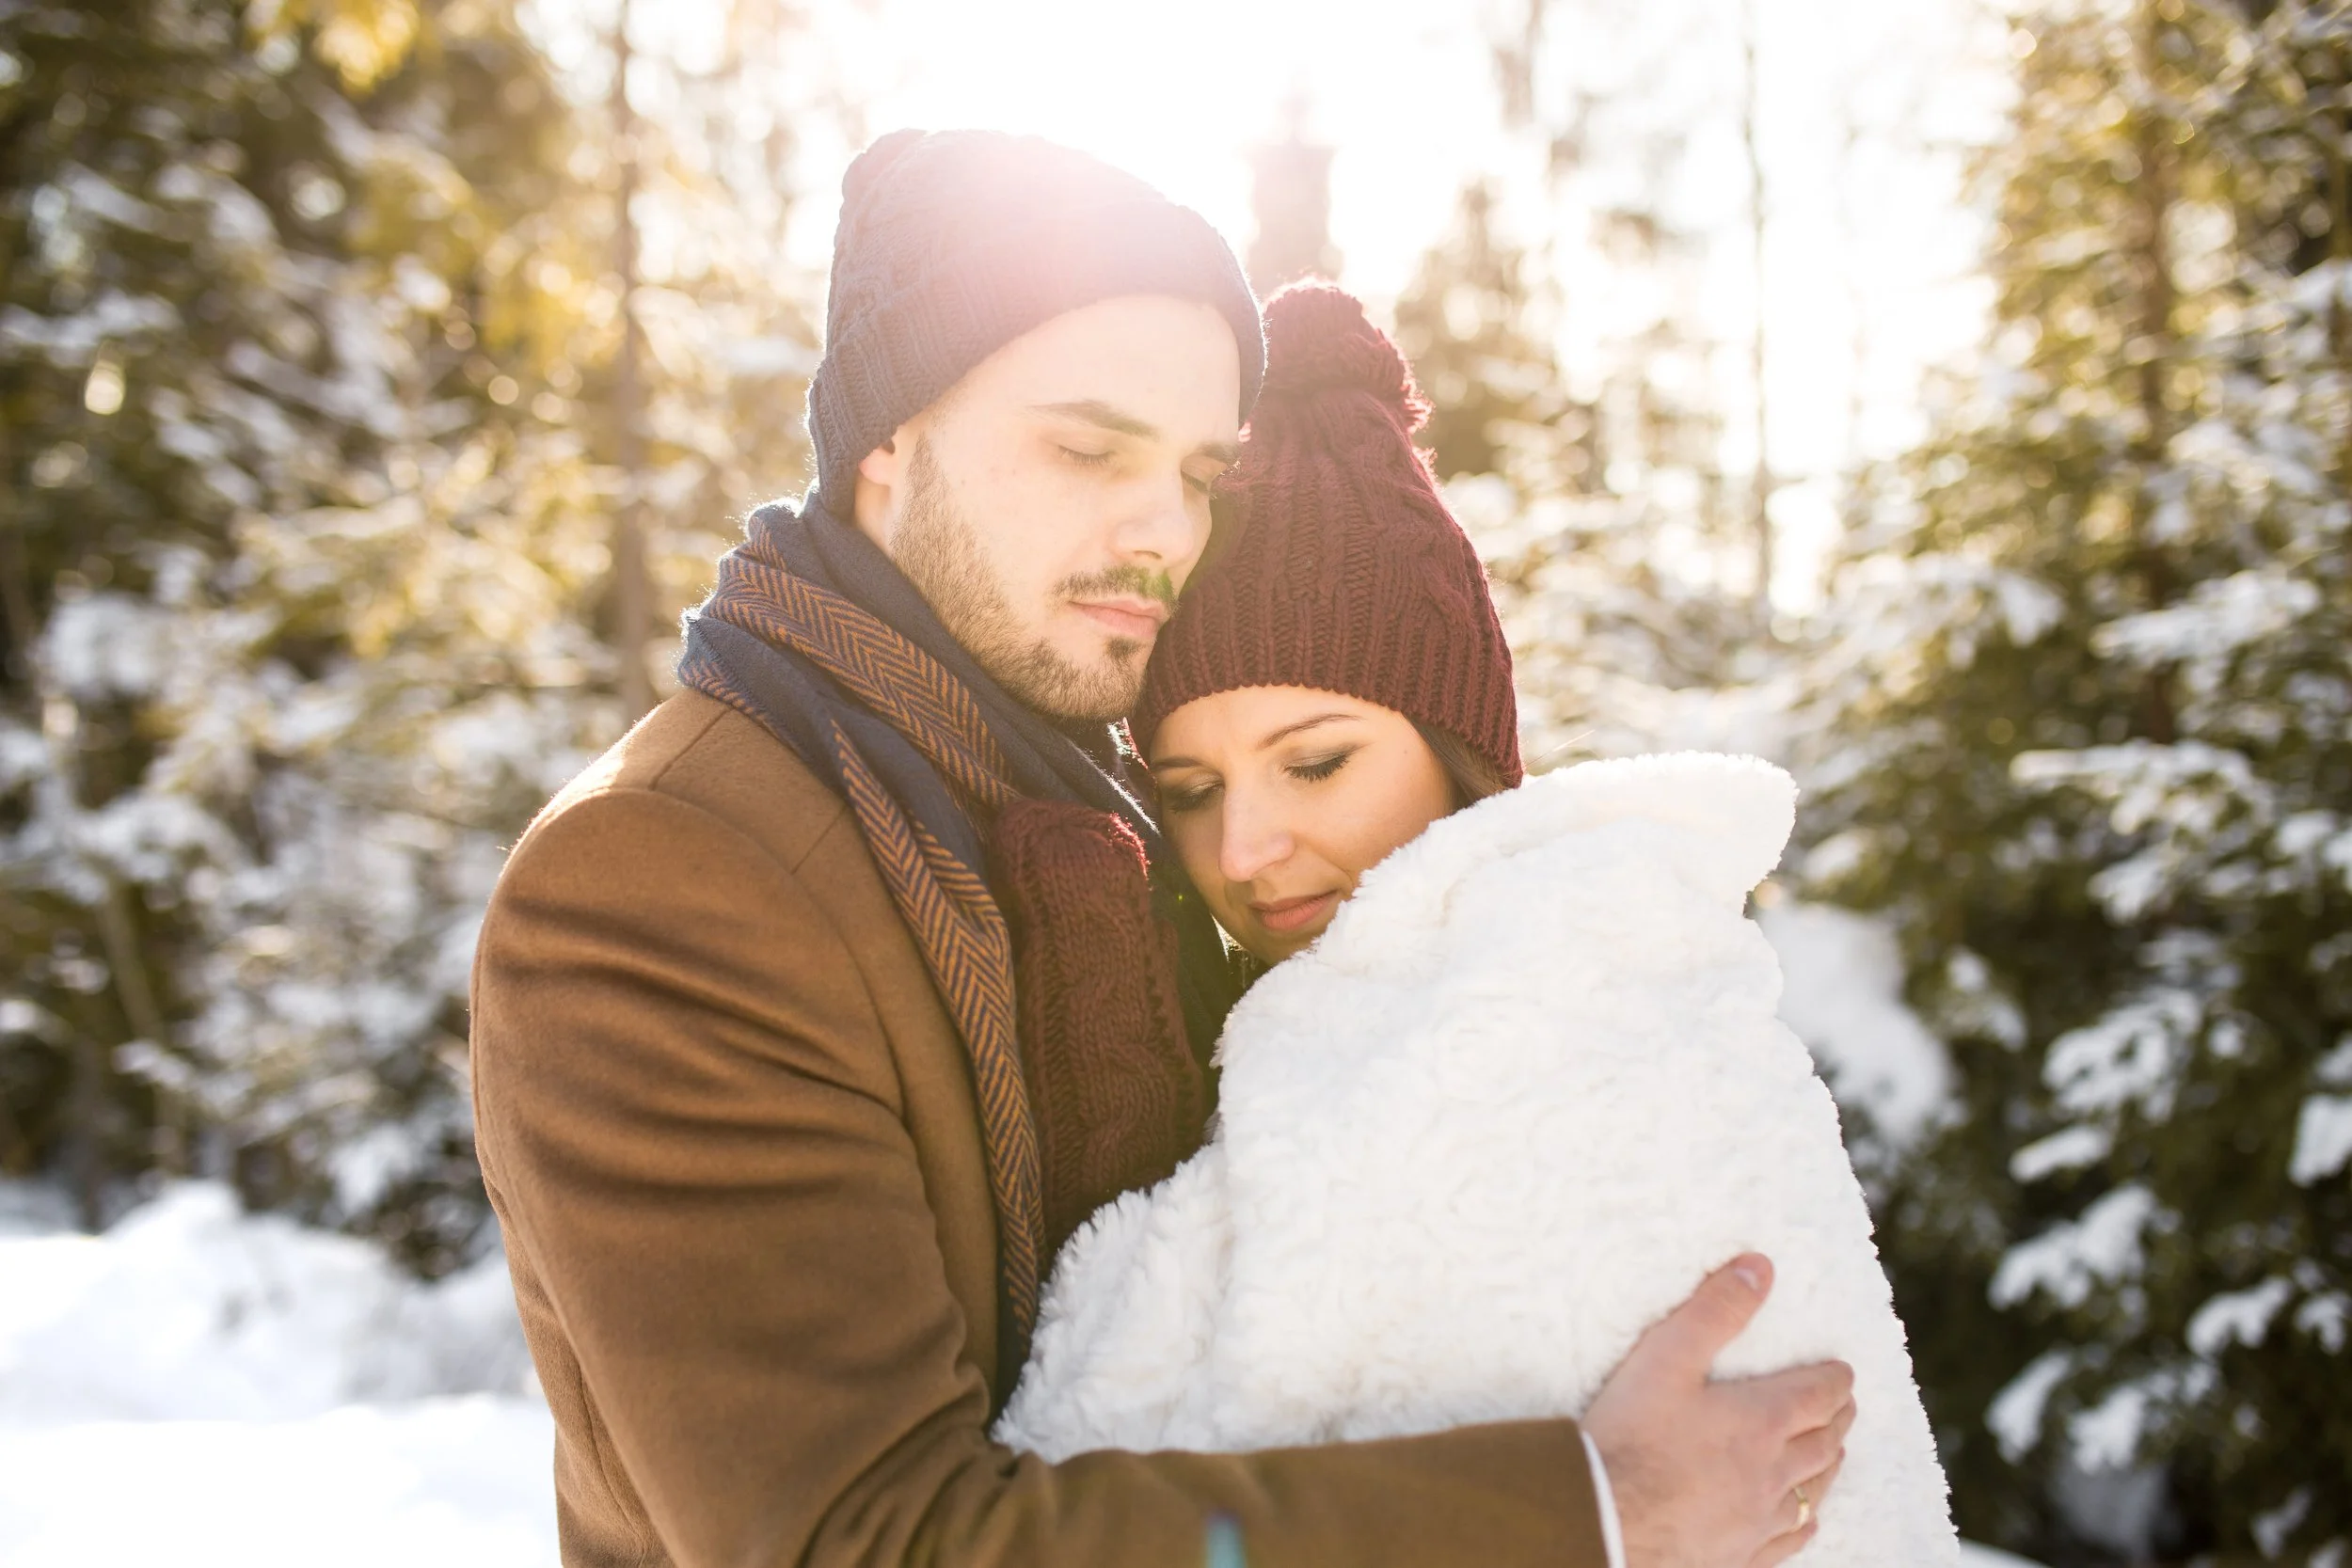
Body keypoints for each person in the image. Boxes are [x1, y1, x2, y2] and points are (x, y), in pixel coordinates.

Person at [469, 129, 1851, 1568]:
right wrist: (1588, 1509)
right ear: (888, 436)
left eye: (1202, 471)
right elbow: (864, 1542)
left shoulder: (1099, 810)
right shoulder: (663, 872)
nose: (1163, 530)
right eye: (1088, 445)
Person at [996, 284, 1942, 1568]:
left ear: (1456, 752)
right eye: (1189, 791)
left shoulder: (1583, 1006)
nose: (1243, 848)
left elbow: (1101, 1460)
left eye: (1317, 761)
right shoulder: (1286, 1031)